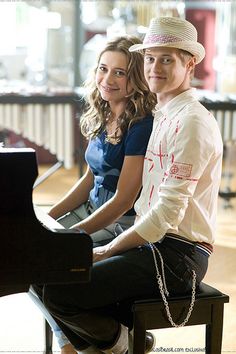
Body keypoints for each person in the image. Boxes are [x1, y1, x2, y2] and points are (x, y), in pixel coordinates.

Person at [33, 17, 223, 354]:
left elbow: (165, 214)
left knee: (59, 288)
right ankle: (115, 342)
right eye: (150, 59)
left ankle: (119, 345)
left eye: (167, 59)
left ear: (190, 63)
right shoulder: (165, 115)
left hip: (178, 255)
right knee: (49, 272)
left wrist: (106, 249)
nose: (154, 68)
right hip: (152, 242)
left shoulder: (192, 122)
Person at [29, 35, 156, 354]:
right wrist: (46, 217)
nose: (107, 79)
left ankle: (115, 342)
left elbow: (125, 199)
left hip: (121, 222)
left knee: (51, 263)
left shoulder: (141, 125)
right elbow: (89, 179)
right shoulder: (102, 114)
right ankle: (71, 340)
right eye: (103, 69)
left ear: (137, 78)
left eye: (120, 72)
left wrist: (68, 237)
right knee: (24, 260)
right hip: (91, 210)